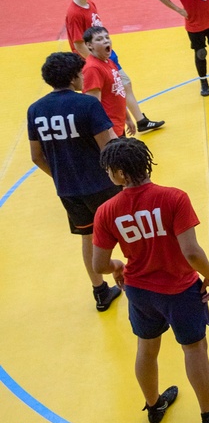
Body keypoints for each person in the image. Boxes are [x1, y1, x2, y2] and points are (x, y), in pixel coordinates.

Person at [91, 138, 209, 423]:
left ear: (120, 174)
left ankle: (153, 405)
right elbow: (191, 251)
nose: (107, 175)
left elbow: (99, 264)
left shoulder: (106, 211)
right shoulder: (173, 198)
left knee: (147, 347)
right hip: (179, 290)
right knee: (194, 348)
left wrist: (118, 267)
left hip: (139, 291)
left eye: (109, 170)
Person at [27, 51, 122, 312]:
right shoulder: (87, 105)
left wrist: (60, 177)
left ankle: (100, 292)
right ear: (72, 77)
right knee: (127, 231)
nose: (83, 77)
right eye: (80, 74)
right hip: (103, 184)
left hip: (68, 190)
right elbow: (109, 148)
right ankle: (142, 282)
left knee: (87, 237)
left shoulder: (35, 110)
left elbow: (36, 157)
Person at [64, 0, 165, 134]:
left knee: (124, 84)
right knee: (110, 91)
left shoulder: (90, 4)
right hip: (96, 58)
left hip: (105, 54)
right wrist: (95, 61)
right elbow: (78, 44)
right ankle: (113, 127)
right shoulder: (74, 14)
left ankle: (140, 120)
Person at [82, 26, 134, 137]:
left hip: (118, 126)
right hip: (109, 130)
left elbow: (118, 93)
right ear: (89, 45)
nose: (105, 40)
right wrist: (109, 132)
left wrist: (128, 118)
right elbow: (93, 105)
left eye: (107, 37)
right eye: (99, 39)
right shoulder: (92, 68)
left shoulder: (109, 62)